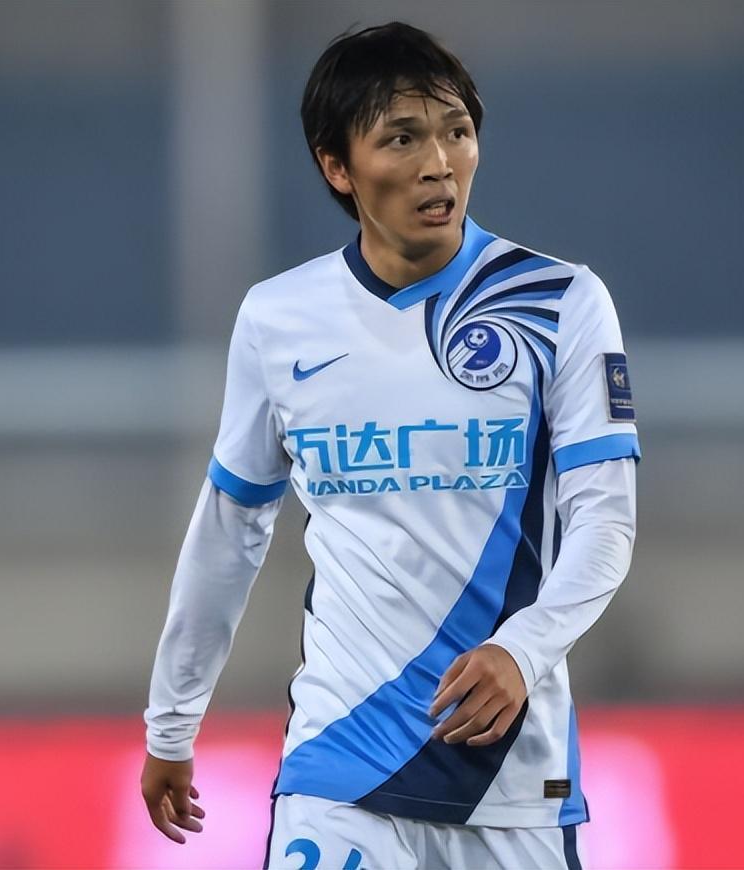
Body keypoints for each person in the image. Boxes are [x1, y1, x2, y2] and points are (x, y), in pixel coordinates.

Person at [141, 21, 639, 869]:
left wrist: (521, 651)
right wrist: (172, 721)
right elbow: (230, 528)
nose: (438, 163)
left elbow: (605, 525)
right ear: (338, 166)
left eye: (456, 131)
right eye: (402, 138)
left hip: (510, 778)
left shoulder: (558, 303)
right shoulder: (279, 319)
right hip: (340, 764)